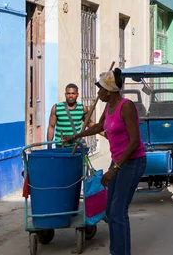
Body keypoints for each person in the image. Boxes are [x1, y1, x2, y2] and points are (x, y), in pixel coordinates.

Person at [63, 68, 146, 255]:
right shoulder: (109, 107)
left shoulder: (127, 106)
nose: (98, 93)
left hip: (132, 162)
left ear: (109, 90)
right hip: (118, 162)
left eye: (100, 89)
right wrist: (75, 136)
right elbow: (100, 126)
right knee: (109, 210)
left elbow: (134, 143)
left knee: (118, 211)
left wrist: (115, 169)